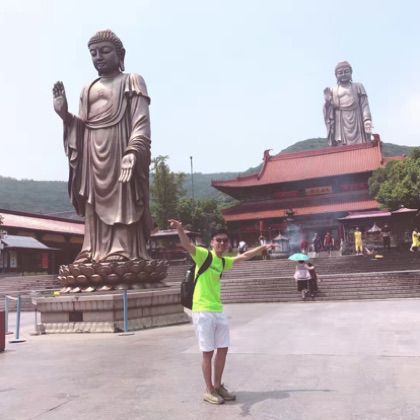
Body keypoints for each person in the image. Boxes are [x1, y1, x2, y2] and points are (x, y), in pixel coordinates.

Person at [53, 30, 152, 263]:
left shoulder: (132, 80)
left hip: (120, 148)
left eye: (105, 51)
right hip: (92, 153)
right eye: (93, 53)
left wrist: (133, 151)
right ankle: (93, 250)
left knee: (123, 198)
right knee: (93, 202)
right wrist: (65, 115)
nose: (98, 57)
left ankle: (124, 250)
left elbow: (141, 121)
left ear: (120, 54)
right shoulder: (87, 88)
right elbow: (82, 126)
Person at [169, 219, 272, 405]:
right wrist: (180, 229)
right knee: (207, 353)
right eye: (218, 240)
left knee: (223, 349)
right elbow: (187, 245)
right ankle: (208, 390)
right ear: (212, 242)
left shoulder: (223, 262)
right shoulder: (203, 255)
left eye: (225, 241)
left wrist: (262, 248)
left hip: (218, 310)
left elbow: (244, 256)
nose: (222, 243)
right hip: (202, 310)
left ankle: (217, 386)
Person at [323, 61, 372, 146]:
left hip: (356, 117)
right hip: (340, 119)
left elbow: (364, 105)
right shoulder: (333, 90)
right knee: (341, 145)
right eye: (340, 73)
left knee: (361, 144)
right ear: (336, 75)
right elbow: (329, 109)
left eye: (346, 71)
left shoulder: (358, 86)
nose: (343, 74)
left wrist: (367, 119)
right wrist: (327, 103)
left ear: (351, 72)